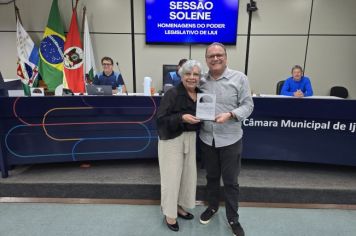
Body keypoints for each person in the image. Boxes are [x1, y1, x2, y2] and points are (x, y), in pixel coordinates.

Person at [198, 42, 254, 236]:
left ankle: (233, 218)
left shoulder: (239, 78)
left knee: (230, 182)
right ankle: (212, 207)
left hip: (231, 139)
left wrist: (230, 114)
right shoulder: (201, 80)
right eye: (211, 56)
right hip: (207, 138)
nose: (215, 58)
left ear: (225, 57)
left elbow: (248, 106)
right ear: (206, 59)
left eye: (219, 55)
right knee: (211, 177)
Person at [156, 60, 202, 232]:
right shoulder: (172, 94)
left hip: (190, 139)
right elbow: (160, 120)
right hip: (171, 140)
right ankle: (169, 213)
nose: (192, 78)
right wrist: (181, 117)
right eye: (188, 74)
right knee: (171, 178)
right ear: (181, 76)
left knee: (186, 177)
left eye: (195, 74)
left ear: (199, 77)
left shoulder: (202, 94)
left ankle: (179, 207)